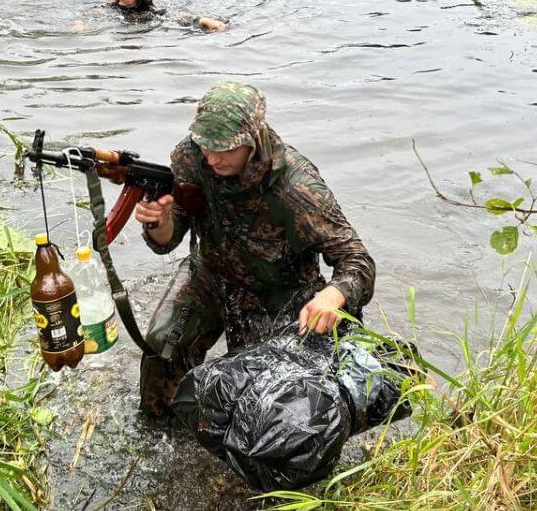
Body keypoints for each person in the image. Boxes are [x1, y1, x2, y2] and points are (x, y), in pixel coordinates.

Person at [132, 83, 376, 416]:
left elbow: (357, 260)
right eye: (206, 146)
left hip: (278, 295)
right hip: (212, 272)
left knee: (262, 402)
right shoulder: (192, 157)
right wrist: (159, 223)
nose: (212, 158)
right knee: (161, 346)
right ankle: (161, 436)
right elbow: (170, 237)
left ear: (252, 140)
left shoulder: (296, 186)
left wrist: (332, 296)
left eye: (224, 150)